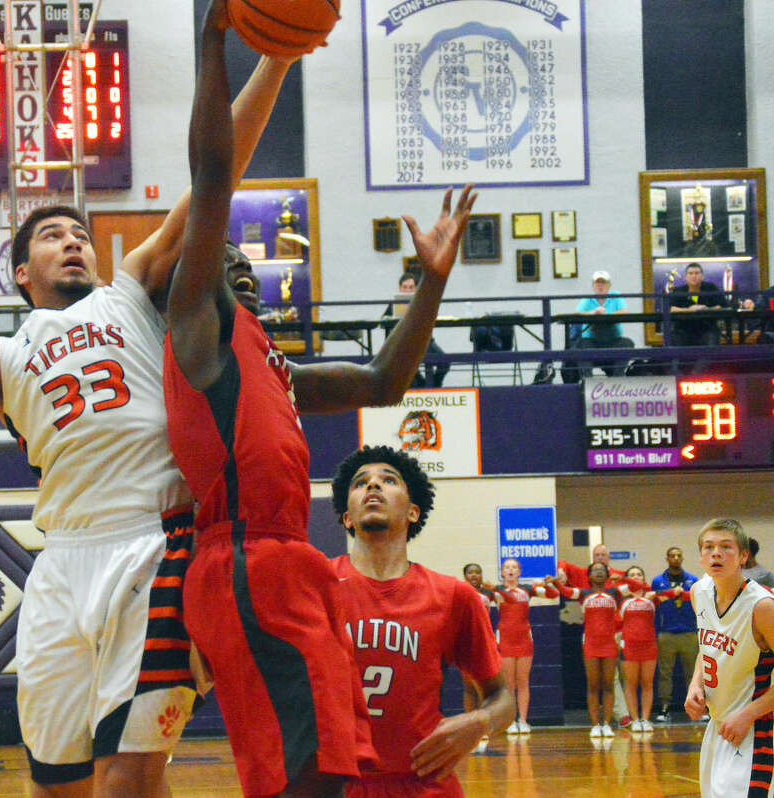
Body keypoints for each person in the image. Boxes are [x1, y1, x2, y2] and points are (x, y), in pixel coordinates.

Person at [0, 38, 294, 796]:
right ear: (20, 272)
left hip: (153, 545)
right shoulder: (1, 358)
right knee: (58, 783)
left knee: (129, 779)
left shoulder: (133, 294)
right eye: (52, 235)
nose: (73, 241)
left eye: (80, 233)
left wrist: (275, 61)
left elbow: (215, 175)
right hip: (60, 561)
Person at [162, 6, 478, 793]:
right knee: (305, 779)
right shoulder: (198, 331)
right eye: (219, 258)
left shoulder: (272, 368)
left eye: (246, 266)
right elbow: (211, 177)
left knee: (321, 776)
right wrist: (212, 43)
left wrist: (430, 285)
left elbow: (384, 383)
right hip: (246, 559)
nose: (237, 267)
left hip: (284, 563)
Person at [329, 447, 512, 795]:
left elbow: (502, 695)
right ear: (346, 517)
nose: (373, 486)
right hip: (335, 785)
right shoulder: (314, 587)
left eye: (388, 480)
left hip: (423, 782)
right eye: (360, 483)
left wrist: (480, 721)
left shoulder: (453, 596)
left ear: (413, 511)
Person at [685, 518, 774, 798]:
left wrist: (748, 715)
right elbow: (707, 647)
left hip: (757, 729)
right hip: (719, 728)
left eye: (726, 547)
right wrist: (695, 684)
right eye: (709, 547)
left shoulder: (762, 607)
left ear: (743, 556)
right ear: (700, 556)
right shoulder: (698, 592)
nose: (716, 553)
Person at [550, 563, 648, 738]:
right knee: (593, 685)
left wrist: (623, 578)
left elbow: (640, 587)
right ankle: (595, 725)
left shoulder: (615, 592)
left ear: (607, 575)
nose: (599, 573)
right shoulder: (583, 594)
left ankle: (607, 724)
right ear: (589, 576)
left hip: (609, 644)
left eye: (602, 571)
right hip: (590, 643)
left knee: (608, 685)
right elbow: (565, 592)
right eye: (595, 570)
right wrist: (555, 583)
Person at [492, 558, 558, 735]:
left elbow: (553, 595)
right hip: (505, 638)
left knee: (522, 681)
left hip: (524, 638)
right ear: (502, 572)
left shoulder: (528, 589)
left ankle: (522, 720)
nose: (511, 570)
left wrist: (544, 585)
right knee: (508, 683)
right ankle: (510, 720)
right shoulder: (497, 591)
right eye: (507, 567)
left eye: (514, 567)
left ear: (519, 572)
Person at [617, 565, 681, 733]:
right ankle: (635, 719)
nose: (636, 577)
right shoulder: (621, 597)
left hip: (649, 645)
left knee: (647, 683)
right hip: (629, 645)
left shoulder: (652, 597)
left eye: (639, 574)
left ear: (644, 579)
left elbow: (671, 594)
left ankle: (645, 719)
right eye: (632, 575)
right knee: (631, 683)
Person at [651, 545, 698, 723]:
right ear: (667, 559)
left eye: (679, 555)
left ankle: (697, 708)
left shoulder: (693, 581)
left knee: (693, 673)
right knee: (664, 673)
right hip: (666, 634)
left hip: (689, 633)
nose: (676, 558)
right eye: (672, 555)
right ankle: (664, 708)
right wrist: (656, 633)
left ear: (683, 558)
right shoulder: (658, 582)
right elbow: (655, 609)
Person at [382, 270, 448, 387]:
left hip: (425, 342)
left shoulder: (423, 302)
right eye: (405, 287)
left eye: (411, 287)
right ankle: (423, 386)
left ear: (416, 289)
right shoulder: (394, 304)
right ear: (400, 288)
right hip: (403, 344)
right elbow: (383, 322)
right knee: (408, 368)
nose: (408, 290)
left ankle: (435, 387)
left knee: (445, 362)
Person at [563, 270, 633, 380]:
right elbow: (577, 314)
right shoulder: (588, 299)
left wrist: (607, 315)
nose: (600, 286)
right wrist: (594, 313)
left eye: (603, 283)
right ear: (593, 286)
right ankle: (587, 380)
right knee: (582, 346)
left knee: (628, 343)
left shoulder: (616, 296)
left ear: (609, 286)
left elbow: (624, 311)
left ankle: (617, 378)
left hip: (613, 341)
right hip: (592, 342)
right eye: (597, 283)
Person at [460, 564, 498, 723]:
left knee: (483, 686)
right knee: (469, 687)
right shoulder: (459, 592)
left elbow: (508, 598)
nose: (474, 575)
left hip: (484, 644)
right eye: (470, 572)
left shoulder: (488, 594)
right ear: (465, 576)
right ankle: (470, 722)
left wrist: (495, 588)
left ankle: (482, 723)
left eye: (478, 572)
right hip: (466, 643)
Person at [668, 262, 725, 347]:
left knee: (712, 337)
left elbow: (722, 305)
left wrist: (706, 309)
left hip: (707, 328)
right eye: (690, 274)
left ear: (702, 276)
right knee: (674, 337)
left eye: (697, 273)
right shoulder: (678, 291)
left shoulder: (711, 288)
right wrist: (689, 310)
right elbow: (670, 309)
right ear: (686, 277)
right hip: (683, 330)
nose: (694, 276)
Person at [556, 543, 624, 590]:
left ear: (609, 557)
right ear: (593, 558)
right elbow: (562, 563)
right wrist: (561, 570)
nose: (600, 558)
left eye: (603, 555)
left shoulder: (619, 575)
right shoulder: (584, 573)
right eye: (597, 555)